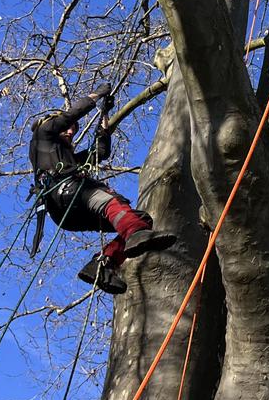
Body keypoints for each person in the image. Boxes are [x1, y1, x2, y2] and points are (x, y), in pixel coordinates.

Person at [29, 84, 176, 294]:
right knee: (112, 202)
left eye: (73, 130)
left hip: (68, 213)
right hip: (69, 192)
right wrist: (97, 95)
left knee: (141, 219)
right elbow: (72, 114)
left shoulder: (67, 157)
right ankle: (134, 232)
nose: (71, 132)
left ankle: (103, 264)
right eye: (68, 128)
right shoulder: (43, 135)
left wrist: (104, 115)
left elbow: (99, 151)